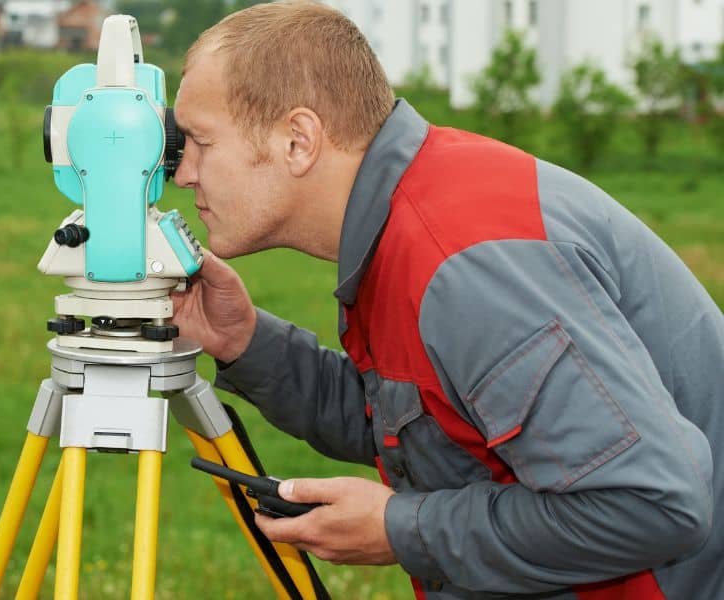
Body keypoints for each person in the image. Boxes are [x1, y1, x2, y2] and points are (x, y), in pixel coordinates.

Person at [169, 2, 723, 599]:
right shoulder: (406, 216)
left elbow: (653, 504)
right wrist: (245, 342)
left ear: (298, 141)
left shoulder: (464, 263)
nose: (183, 174)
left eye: (200, 142)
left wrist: (399, 529)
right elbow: (432, 427)